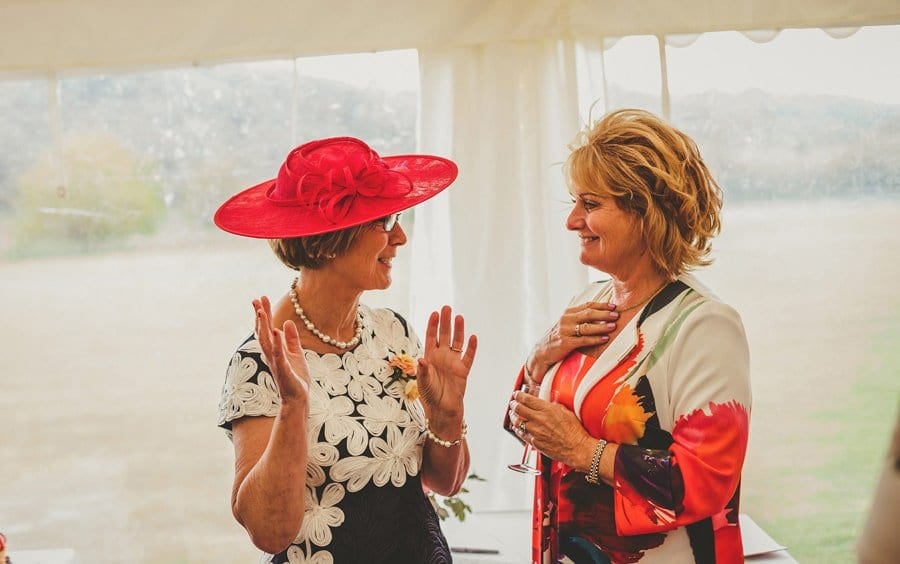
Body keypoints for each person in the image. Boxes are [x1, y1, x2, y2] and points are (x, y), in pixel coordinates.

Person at [214, 137, 478, 563]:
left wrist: (447, 415)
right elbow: (269, 532)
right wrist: (294, 407)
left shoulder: (394, 331)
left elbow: (445, 483)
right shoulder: (261, 361)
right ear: (331, 238)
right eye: (385, 222)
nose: (400, 237)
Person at [505, 109, 751, 563]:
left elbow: (704, 481)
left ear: (645, 212)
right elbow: (530, 429)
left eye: (590, 204)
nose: (572, 221)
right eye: (574, 203)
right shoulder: (589, 300)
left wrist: (583, 451)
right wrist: (539, 359)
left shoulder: (704, 326)